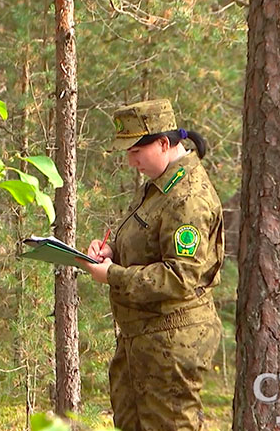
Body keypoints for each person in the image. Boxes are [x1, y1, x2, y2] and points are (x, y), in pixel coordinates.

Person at [78, 99, 224, 431]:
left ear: (163, 143)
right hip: (142, 337)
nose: (131, 161)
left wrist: (112, 275)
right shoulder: (160, 186)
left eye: (135, 151)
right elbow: (147, 240)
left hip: (172, 343)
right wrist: (111, 250)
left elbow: (181, 276)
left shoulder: (189, 198)